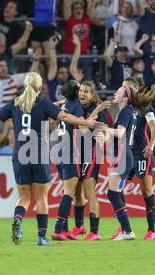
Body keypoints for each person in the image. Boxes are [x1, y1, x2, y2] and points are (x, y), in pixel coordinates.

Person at [0, 72, 101, 246]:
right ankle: (41, 237)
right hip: (38, 153)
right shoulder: (43, 104)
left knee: (24, 197)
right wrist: (86, 123)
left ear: (25, 86)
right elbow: (64, 117)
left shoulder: (15, 104)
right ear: (40, 88)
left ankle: (18, 218)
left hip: (19, 154)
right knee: (42, 197)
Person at [51, 80, 110, 241]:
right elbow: (84, 126)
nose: (83, 94)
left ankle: (95, 232)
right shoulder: (76, 105)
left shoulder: (89, 107)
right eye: (81, 91)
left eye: (86, 92)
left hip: (90, 154)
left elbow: (102, 130)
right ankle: (78, 227)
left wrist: (103, 138)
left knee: (89, 193)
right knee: (76, 193)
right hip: (75, 154)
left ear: (92, 95)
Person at [96, 84, 137, 240]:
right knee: (116, 194)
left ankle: (127, 231)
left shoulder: (125, 112)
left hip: (123, 156)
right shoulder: (127, 112)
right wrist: (105, 137)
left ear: (125, 98)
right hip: (124, 155)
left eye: (118, 91)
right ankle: (125, 230)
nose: (115, 92)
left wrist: (104, 128)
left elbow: (120, 133)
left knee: (112, 194)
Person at [121, 77, 155, 240]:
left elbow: (154, 129)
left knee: (146, 190)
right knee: (117, 189)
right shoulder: (125, 109)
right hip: (128, 153)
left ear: (133, 90)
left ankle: (151, 230)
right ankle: (124, 228)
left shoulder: (145, 107)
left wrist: (151, 145)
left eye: (125, 87)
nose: (123, 89)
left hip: (142, 153)